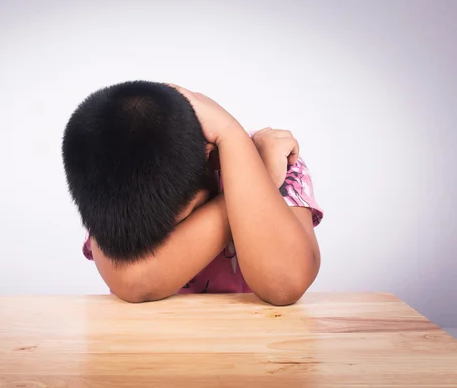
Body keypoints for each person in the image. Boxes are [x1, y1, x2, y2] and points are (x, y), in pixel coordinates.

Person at [62, 81, 323, 305]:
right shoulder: (112, 178)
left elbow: (284, 284)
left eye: (174, 222)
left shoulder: (277, 156)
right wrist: (261, 178)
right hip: (144, 351)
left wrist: (232, 136)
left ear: (210, 161)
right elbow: (134, 282)